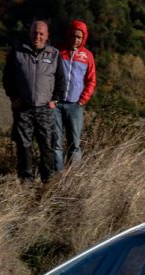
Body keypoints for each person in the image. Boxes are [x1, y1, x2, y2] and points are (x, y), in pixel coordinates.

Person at [3, 20, 66, 183]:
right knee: (23, 146)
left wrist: (56, 100)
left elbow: (61, 81)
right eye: (34, 33)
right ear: (29, 33)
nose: (37, 36)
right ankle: (26, 181)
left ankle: (48, 181)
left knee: (47, 146)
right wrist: (13, 98)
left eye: (41, 34)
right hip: (23, 108)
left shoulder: (54, 54)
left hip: (45, 109)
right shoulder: (17, 52)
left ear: (47, 36)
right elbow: (7, 78)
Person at [54, 19, 96, 170]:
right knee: (56, 144)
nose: (75, 39)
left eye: (79, 37)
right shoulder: (58, 51)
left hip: (75, 106)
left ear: (83, 38)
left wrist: (82, 100)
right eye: (73, 36)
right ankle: (56, 178)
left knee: (75, 144)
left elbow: (91, 81)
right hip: (56, 106)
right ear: (69, 35)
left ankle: (73, 178)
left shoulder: (87, 56)